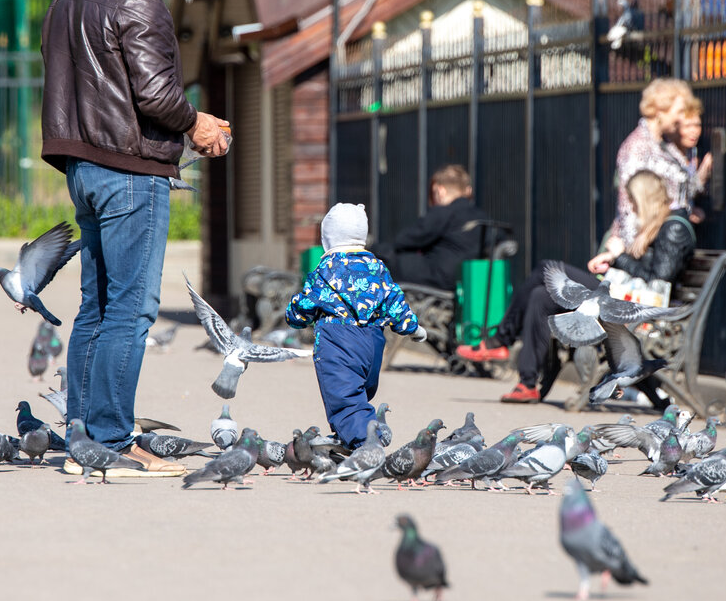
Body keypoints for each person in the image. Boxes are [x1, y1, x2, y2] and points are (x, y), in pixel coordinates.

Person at [40, 0, 231, 475]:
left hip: (83, 168)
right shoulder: (138, 0)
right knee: (130, 309)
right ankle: (113, 442)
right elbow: (154, 94)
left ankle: (82, 435)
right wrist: (196, 122)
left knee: (94, 307)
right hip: (130, 170)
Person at [458, 171, 694, 405]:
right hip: (618, 299)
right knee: (540, 296)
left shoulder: (673, 228)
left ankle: (500, 340)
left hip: (631, 308)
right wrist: (611, 260)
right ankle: (527, 383)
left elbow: (658, 281)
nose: (631, 207)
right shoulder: (657, 226)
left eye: (633, 201)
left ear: (645, 198)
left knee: (546, 267)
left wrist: (620, 256)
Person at [285, 203, 426, 449]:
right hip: (372, 343)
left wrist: (294, 316)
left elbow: (304, 306)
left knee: (345, 398)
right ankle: (348, 436)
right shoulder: (378, 268)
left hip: (337, 341)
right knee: (360, 391)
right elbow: (395, 303)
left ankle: (365, 443)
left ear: (327, 238)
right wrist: (413, 328)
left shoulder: (326, 270)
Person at [372, 164, 497, 292]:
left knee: (384, 253)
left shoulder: (444, 212)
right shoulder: (484, 219)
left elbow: (405, 240)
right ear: (468, 190)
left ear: (440, 190)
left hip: (438, 277)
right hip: (466, 280)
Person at [610, 78, 696, 249]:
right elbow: (629, 206)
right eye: (678, 111)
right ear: (659, 111)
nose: (681, 119)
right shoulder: (637, 147)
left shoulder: (666, 146)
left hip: (669, 242)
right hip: (646, 249)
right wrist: (632, 253)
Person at [672, 98, 712, 224]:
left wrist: (691, 209)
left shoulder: (692, 151)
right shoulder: (667, 155)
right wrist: (703, 173)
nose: (694, 131)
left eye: (697, 125)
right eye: (688, 126)